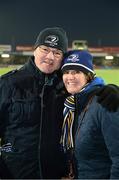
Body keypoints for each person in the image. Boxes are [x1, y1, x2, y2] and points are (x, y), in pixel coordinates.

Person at [0, 27, 118, 179]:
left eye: (57, 52)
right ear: (35, 49)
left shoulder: (67, 87)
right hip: (15, 174)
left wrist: (110, 89)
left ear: (62, 58)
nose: (50, 56)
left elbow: (88, 86)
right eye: (45, 49)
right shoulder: (8, 84)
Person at [60, 49, 119, 179]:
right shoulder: (70, 104)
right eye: (66, 72)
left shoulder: (105, 102)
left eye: (77, 72)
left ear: (88, 76)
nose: (70, 77)